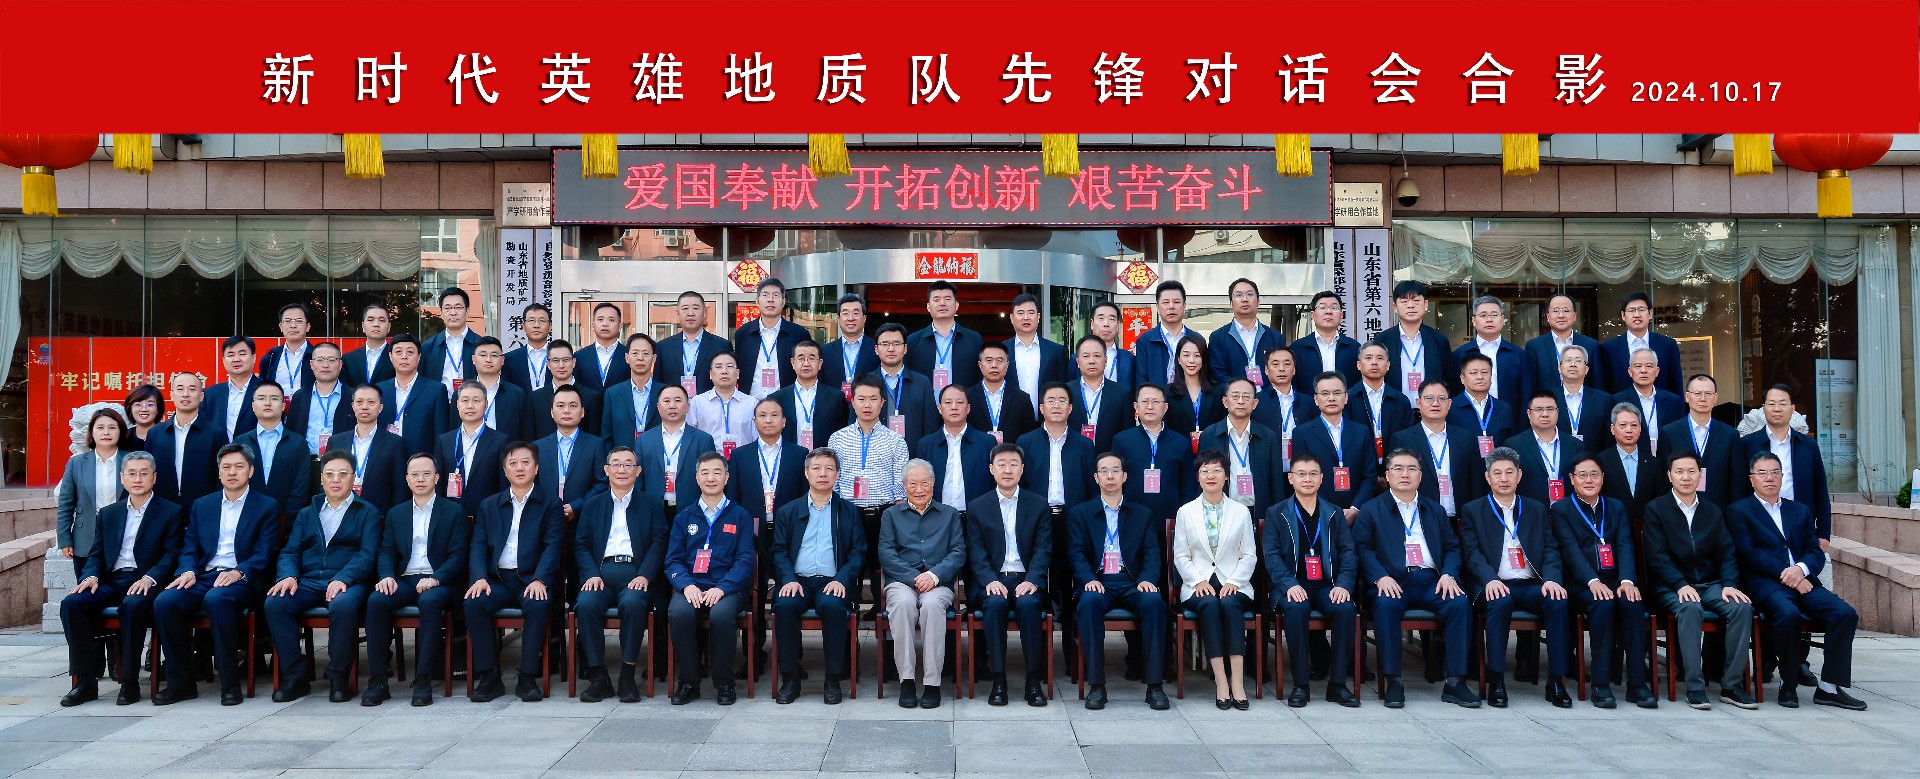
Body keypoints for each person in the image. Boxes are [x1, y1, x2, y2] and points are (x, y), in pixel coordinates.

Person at [1727, 452, 1865, 710]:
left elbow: (1814, 551)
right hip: (1767, 584)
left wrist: (1800, 570)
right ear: (1751, 479)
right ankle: (1788, 684)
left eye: (1774, 472)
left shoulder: (1799, 510)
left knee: (1844, 614)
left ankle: (1828, 688)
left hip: (1804, 581)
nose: (1769, 478)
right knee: (1788, 614)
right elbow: (1749, 553)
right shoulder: (1739, 511)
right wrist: (1788, 574)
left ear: (1782, 477)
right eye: (1762, 473)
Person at [152, 444, 280, 706]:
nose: (232, 472)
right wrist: (187, 570)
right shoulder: (203, 505)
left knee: (217, 600)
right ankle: (181, 684)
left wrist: (238, 572)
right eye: (226, 467)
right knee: (165, 602)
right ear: (219, 472)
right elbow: (189, 546)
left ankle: (230, 684)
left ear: (251, 471)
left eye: (239, 467)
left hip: (243, 578)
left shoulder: (266, 506)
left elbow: (266, 552)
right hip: (205, 575)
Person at [1353, 449, 1478, 707]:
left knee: (1459, 604)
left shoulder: (1435, 510)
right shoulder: (1371, 509)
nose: (1405, 474)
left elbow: (1452, 547)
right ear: (1387, 475)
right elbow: (1362, 548)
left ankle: (1455, 682)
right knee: (1386, 605)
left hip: (1432, 581)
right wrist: (1379, 577)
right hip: (1392, 581)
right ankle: (1394, 681)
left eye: (1411, 469)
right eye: (1398, 468)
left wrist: (1449, 574)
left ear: (1420, 476)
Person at [59, 452, 181, 707]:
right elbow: (96, 553)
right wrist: (91, 575)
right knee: (72, 603)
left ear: (154, 477)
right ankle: (85, 681)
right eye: (132, 474)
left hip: (145, 580)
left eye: (144, 473)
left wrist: (150, 577)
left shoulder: (171, 511)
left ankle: (129, 682)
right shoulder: (109, 513)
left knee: (132, 606)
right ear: (122, 478)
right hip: (112, 579)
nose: (138, 479)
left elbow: (171, 556)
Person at [1458, 448, 1572, 708]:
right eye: (1497, 473)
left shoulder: (1536, 509)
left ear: (1519, 475)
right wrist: (1489, 579)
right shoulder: (1473, 510)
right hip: (1494, 583)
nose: (1504, 478)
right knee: (1500, 602)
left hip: (1531, 584)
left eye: (1509, 472)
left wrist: (1551, 579)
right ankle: (1496, 680)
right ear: (1487, 477)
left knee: (1557, 601)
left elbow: (1551, 549)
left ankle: (1556, 681)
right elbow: (1472, 553)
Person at [263, 450, 380, 703]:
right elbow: (291, 550)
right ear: (321, 479)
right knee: (275, 603)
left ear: (353, 478)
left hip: (348, 582)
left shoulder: (367, 512)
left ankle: (338, 677)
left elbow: (367, 554)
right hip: (308, 580)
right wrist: (288, 575)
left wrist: (344, 577)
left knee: (343, 605)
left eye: (343, 474)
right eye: (330, 474)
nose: (336, 479)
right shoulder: (307, 512)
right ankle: (295, 677)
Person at [1639, 451, 1751, 710]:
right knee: (1690, 608)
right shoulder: (1656, 509)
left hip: (1710, 584)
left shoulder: (1712, 510)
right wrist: (1680, 584)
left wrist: (1729, 584)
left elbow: (1727, 552)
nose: (1686, 477)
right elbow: (1656, 557)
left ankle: (1731, 685)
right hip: (1671, 586)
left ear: (1700, 476)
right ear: (1669, 476)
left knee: (1742, 608)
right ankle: (1695, 686)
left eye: (1692, 471)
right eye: (1679, 472)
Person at [1550, 454, 1657, 707]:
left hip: (1616, 581)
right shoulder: (1561, 509)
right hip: (1581, 585)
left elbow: (1625, 545)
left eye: (1594, 475)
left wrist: (1627, 581)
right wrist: (1591, 580)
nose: (1589, 480)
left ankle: (1637, 685)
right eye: (1582, 475)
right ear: (1572, 479)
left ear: (1603, 478)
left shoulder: (1616, 507)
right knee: (1603, 604)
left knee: (1632, 604)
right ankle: (1600, 684)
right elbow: (1570, 551)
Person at [464, 441, 565, 703]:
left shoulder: (550, 503)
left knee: (538, 603)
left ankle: (528, 676)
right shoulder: (489, 505)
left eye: (525, 462)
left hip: (530, 579)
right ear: (505, 470)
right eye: (513, 463)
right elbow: (478, 546)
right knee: (473, 603)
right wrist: (479, 577)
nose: (519, 468)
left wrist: (541, 579)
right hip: (496, 580)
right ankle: (489, 676)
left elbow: (552, 546)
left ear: (536, 468)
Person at [363, 453, 467, 707]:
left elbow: (458, 555)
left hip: (438, 581)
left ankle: (423, 679)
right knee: (376, 601)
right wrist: (386, 576)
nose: (420, 479)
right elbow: (386, 550)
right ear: (407, 479)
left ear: (437, 478)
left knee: (429, 602)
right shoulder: (396, 513)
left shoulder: (453, 511)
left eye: (426, 474)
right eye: (415, 474)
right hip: (404, 579)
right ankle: (378, 680)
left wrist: (436, 578)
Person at [1069, 453, 1170, 710]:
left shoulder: (1142, 514)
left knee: (1154, 603)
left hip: (1132, 580)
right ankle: (1096, 685)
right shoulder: (1081, 513)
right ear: (1096, 478)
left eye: (1115, 470)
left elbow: (1152, 553)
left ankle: (1155, 685)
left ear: (1124, 476)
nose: (1110, 476)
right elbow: (1076, 553)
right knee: (1088, 603)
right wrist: (1088, 579)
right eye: (1104, 471)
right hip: (1098, 581)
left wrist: (1147, 579)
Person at [771, 448, 866, 705]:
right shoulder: (788, 511)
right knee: (785, 606)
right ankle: (790, 678)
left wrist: (842, 579)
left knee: (834, 607)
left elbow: (858, 551)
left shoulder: (848, 511)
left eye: (829, 469)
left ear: (837, 474)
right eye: (816, 468)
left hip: (832, 581)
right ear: (806, 473)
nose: (822, 474)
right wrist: (788, 578)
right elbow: (778, 550)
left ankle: (833, 679)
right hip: (797, 580)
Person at [573, 446, 668, 703]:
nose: (622, 469)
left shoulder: (652, 504)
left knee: (634, 604)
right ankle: (598, 676)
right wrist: (590, 574)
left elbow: (659, 542)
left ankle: (627, 675)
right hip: (600, 573)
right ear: (606, 470)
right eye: (616, 464)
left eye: (628, 464)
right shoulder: (593, 504)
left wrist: (645, 575)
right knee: (586, 604)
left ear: (638, 471)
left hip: (635, 573)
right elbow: (581, 544)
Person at [1264, 453, 1360, 708]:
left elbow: (1348, 552)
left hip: (1327, 584)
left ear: (1321, 478)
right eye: (1301, 474)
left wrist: (1343, 584)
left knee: (1345, 609)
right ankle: (1300, 685)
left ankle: (1337, 685)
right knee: (1297, 608)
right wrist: (1289, 584)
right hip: (1291, 584)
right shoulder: (1276, 513)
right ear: (1290, 479)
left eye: (1313, 474)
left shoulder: (1334, 513)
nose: (1307, 479)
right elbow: (1271, 556)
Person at [666, 452, 756, 705]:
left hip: (727, 587)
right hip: (691, 585)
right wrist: (686, 585)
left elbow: (745, 560)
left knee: (721, 615)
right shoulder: (684, 516)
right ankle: (689, 682)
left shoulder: (740, 515)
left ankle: (724, 682)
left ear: (727, 477)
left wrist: (723, 588)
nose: (711, 478)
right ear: (696, 478)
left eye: (717, 472)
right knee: (679, 614)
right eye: (705, 473)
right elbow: (673, 560)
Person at [965, 444, 1052, 706]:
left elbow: (1043, 548)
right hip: (992, 579)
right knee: (994, 604)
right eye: (1001, 464)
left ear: (1022, 469)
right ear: (991, 469)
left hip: (1026, 578)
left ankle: (1033, 681)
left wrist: (1032, 580)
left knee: (1029, 605)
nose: (1007, 470)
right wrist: (989, 580)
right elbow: (976, 550)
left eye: (1013, 464)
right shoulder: (977, 506)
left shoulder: (1038, 504)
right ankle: (999, 680)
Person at [878, 459, 967, 709]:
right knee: (903, 604)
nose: (919, 489)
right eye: (913, 484)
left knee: (931, 606)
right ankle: (907, 680)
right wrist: (914, 578)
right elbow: (886, 554)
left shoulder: (949, 514)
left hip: (938, 582)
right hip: (902, 581)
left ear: (934, 483)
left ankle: (932, 683)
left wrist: (934, 576)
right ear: (904, 485)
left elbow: (958, 552)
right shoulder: (891, 515)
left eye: (924, 483)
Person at [1018, 383, 1096, 666]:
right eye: (1050, 400)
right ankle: (1039, 659)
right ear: (1041, 408)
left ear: (1070, 408)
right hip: (1037, 520)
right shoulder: (1026, 442)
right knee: (1038, 582)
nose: (1056, 405)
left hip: (1072, 519)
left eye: (1062, 400)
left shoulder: (1084, 445)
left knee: (1069, 583)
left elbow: (1091, 489)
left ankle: (1072, 656)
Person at [1174, 449, 1259, 709]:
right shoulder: (1185, 512)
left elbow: (1249, 554)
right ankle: (1221, 682)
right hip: (1197, 584)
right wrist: (1198, 581)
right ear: (1197, 477)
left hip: (1235, 582)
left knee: (1231, 605)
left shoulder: (1241, 511)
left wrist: (1234, 582)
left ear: (1226, 476)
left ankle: (1238, 683)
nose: (1211, 476)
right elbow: (1181, 555)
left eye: (1217, 471)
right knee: (1210, 606)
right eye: (1205, 471)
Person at [1742, 384, 1832, 544]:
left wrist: (1824, 535)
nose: (1777, 409)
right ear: (1763, 408)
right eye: (1771, 404)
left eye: (1783, 404)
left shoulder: (1808, 446)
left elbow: (1820, 490)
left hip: (1801, 528)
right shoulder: (1747, 445)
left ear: (1792, 408)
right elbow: (1739, 489)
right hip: (1758, 528)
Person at [1390, 380, 1483, 517]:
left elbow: (1476, 482)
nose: (1435, 403)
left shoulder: (1465, 437)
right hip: (1420, 517)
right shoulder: (1403, 439)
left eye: (1442, 399)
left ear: (1449, 404)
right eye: (1429, 398)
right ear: (1418, 403)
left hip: (1460, 519)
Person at [1292, 372, 1378, 516]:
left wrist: (1355, 509)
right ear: (1316, 399)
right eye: (1325, 393)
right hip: (1319, 513)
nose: (1331, 398)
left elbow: (1370, 476)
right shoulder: (1302, 434)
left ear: (1346, 397)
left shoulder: (1361, 432)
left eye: (1337, 393)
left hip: (1358, 514)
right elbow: (1302, 477)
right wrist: (1329, 510)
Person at [1198, 378, 1286, 520]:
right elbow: (1201, 479)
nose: (1240, 401)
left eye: (1246, 396)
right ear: (1225, 401)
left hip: (1258, 513)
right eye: (1235, 396)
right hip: (1220, 512)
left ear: (1255, 403)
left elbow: (1276, 484)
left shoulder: (1268, 437)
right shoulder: (1209, 435)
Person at [57, 408, 130, 577]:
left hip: (124, 535)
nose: (106, 432)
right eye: (100, 427)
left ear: (120, 431)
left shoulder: (132, 460)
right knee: (86, 588)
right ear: (91, 432)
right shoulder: (76, 463)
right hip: (85, 538)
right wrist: (64, 539)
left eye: (112, 427)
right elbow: (66, 504)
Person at [1658, 374, 1744, 508]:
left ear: (1715, 398)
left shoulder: (1730, 435)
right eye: (1697, 393)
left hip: (1718, 510)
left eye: (1708, 394)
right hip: (1679, 509)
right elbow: (1663, 478)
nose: (1703, 399)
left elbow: (1736, 481)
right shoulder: (1669, 433)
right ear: (1687, 397)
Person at [1113, 384, 1196, 523]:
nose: (1150, 406)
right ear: (1136, 406)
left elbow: (1188, 487)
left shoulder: (1181, 443)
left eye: (1156, 402)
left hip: (1171, 519)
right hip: (1131, 520)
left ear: (1165, 407)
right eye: (1145, 401)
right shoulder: (1121, 441)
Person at [324, 385, 407, 515]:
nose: (364, 407)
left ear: (380, 408)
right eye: (359, 402)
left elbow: (400, 487)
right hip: (339, 510)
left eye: (371, 402)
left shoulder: (395, 443)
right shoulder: (336, 441)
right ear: (353, 406)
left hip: (378, 513)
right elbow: (325, 479)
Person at [232, 381, 312, 515]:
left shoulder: (298, 443)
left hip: (287, 519)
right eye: (261, 398)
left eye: (274, 399)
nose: (267, 403)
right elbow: (235, 481)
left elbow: (301, 486)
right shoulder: (240, 442)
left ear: (283, 406)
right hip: (247, 515)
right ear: (253, 406)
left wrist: (288, 517)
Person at [535, 384, 609, 527]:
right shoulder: (538, 447)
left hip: (584, 519)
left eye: (573, 406)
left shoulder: (596, 445)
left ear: (582, 412)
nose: (567, 411)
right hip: (546, 519)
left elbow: (602, 483)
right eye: (560, 406)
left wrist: (578, 506)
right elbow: (534, 484)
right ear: (552, 412)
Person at [637, 384, 719, 512]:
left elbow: (710, 478)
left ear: (688, 406)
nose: (672, 406)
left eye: (678, 400)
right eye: (666, 401)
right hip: (653, 509)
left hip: (691, 510)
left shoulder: (703, 440)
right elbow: (638, 479)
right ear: (658, 406)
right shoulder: (644, 440)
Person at [151, 372, 227, 507]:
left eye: (192, 389)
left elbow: (221, 474)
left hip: (204, 506)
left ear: (201, 396)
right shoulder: (155, 433)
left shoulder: (216, 433)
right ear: (171, 395)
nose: (185, 394)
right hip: (163, 508)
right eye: (180, 389)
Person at [434, 383, 508, 519]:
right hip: (451, 516)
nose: (470, 406)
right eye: (465, 400)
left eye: (476, 401)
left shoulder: (500, 441)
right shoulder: (444, 441)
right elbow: (438, 484)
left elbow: (503, 485)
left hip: (487, 516)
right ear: (457, 404)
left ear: (486, 404)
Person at [1372, 280, 1456, 396]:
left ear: (1425, 305)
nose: (1411, 306)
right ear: (1395, 307)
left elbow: (1449, 378)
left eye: (1416, 301)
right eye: (1404, 301)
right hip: (1393, 405)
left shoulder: (1439, 340)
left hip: (1432, 405)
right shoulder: (1382, 340)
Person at [734, 278, 811, 398]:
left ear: (783, 302)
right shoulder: (743, 333)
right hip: (749, 402)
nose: (770, 299)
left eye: (775, 295)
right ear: (757, 301)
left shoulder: (799, 334)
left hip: (786, 402)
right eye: (765, 295)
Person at [922, 385, 996, 510]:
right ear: (940, 409)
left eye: (960, 402)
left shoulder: (987, 443)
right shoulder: (926, 444)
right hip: (937, 516)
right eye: (948, 403)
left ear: (968, 408)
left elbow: (994, 483)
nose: (954, 407)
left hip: (977, 515)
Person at [378, 333, 452, 457]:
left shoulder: (436, 390)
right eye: (398, 352)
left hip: (421, 460)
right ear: (390, 356)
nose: (404, 357)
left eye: (410, 352)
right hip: (386, 458)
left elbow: (440, 433)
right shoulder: (379, 390)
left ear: (419, 357)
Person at [1598, 292, 1683, 395]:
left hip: (1660, 404)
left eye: (1641, 310)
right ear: (1623, 315)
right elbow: (1603, 388)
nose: (1637, 315)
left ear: (1650, 314)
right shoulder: (1608, 348)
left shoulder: (1668, 345)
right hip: (1621, 404)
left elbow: (1676, 385)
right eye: (1631, 310)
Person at [906, 280, 985, 391]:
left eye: (947, 299)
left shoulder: (974, 339)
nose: (942, 303)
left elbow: (980, 378)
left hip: (963, 401)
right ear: (928, 307)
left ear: (956, 305)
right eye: (936, 299)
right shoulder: (913, 341)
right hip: (924, 402)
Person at [771, 339, 849, 450]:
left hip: (824, 457)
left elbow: (841, 433)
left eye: (811, 359)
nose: (806, 364)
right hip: (789, 457)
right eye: (801, 359)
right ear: (792, 363)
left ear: (820, 363)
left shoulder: (836, 398)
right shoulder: (777, 398)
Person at [1452, 295, 1528, 408]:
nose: (1489, 320)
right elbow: (1454, 391)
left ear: (1502, 320)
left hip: (1509, 416)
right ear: (1474, 320)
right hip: (1468, 416)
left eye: (1494, 315)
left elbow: (1526, 393)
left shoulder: (1519, 354)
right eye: (1483, 315)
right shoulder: (1459, 355)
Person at [1208, 278, 1285, 389]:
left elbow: (1281, 373)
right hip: (1234, 398)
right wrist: (1241, 394)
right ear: (1231, 303)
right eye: (1239, 295)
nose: (1244, 299)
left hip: (1267, 398)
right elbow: (1218, 375)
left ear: (1258, 301)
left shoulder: (1275, 337)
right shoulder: (1218, 337)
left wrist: (1265, 396)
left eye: (1250, 294)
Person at [874, 323, 938, 453]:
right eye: (885, 344)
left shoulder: (922, 383)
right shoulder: (866, 383)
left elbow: (930, 427)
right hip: (875, 457)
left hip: (913, 457)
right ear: (876, 349)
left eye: (896, 344)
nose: (891, 349)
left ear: (905, 348)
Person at [1348, 342, 1417, 464]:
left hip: (1395, 467)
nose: (1374, 362)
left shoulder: (1401, 400)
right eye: (1368, 358)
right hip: (1359, 467)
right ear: (1359, 365)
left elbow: (1408, 438)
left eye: (1380, 358)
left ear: (1388, 365)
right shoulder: (1348, 399)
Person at [1598, 403, 1669, 520]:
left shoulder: (1653, 463)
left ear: (1640, 429)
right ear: (1612, 429)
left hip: (1646, 525)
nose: (1629, 430)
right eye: (1623, 425)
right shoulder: (1600, 461)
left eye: (1634, 425)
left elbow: (1660, 500)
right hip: (1612, 525)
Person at [1523, 294, 1601, 398]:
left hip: (1582, 405)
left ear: (1575, 315)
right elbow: (1529, 386)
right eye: (1555, 311)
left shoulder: (1590, 345)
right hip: (1547, 406)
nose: (1561, 315)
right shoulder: (1534, 346)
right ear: (1548, 316)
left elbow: (1598, 385)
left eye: (1566, 310)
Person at [657, 291, 732, 396]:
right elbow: (659, 383)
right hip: (674, 404)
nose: (690, 313)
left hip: (710, 404)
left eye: (696, 308)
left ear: (704, 312)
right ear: (678, 313)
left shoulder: (721, 346)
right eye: (685, 309)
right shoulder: (663, 347)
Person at [1610, 348, 1683, 455]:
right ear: (1630, 371)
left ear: (1657, 371)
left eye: (1649, 366)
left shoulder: (1672, 401)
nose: (1643, 370)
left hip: (1666, 460)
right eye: (1638, 366)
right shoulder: (1616, 400)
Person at [286, 341, 353, 456]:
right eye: (320, 360)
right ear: (312, 364)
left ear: (340, 364)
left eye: (331, 360)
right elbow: (292, 432)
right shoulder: (299, 397)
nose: (325, 365)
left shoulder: (353, 397)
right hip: (306, 460)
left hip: (341, 461)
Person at [1507, 391, 1575, 506]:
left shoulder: (1574, 444)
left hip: (1568, 510)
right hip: (1531, 510)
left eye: (1550, 409)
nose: (1545, 414)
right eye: (1539, 409)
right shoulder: (1513, 445)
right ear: (1529, 413)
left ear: (1558, 412)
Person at [600, 333, 666, 450]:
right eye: (635, 353)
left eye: (645, 354)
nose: (640, 358)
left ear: (654, 358)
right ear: (627, 358)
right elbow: (607, 436)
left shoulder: (665, 392)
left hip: (656, 457)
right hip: (623, 459)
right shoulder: (613, 394)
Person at [530, 339, 604, 440]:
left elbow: (595, 437)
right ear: (548, 364)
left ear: (573, 362)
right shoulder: (535, 398)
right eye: (555, 360)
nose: (561, 365)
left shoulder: (591, 397)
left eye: (566, 360)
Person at [1289, 291, 1361, 393]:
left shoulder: (1354, 347)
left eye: (1334, 308)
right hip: (1309, 403)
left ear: (1341, 315)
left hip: (1346, 403)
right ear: (1313, 315)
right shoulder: (1297, 348)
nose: (1328, 311)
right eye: (1322, 307)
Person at [689, 352, 756, 459]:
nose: (724, 371)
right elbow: (690, 437)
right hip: (707, 463)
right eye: (719, 367)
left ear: (738, 373)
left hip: (743, 461)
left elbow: (757, 438)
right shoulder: (697, 403)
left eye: (729, 366)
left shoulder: (751, 404)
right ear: (710, 374)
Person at [1003, 293, 1068, 404]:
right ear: (1012, 318)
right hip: (1010, 413)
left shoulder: (1056, 351)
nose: (1026, 317)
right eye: (1020, 313)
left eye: (1031, 312)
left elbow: (1063, 388)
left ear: (1038, 317)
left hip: (1047, 413)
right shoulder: (1001, 351)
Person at [967, 341, 1036, 445]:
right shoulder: (967, 397)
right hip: (977, 453)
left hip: (1011, 453)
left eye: (1000, 361)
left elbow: (1029, 436)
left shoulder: (1022, 399)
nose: (994, 365)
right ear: (980, 365)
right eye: (989, 360)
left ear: (1007, 365)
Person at [1068, 335, 1127, 454]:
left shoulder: (1122, 393)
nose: (1091, 361)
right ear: (1078, 361)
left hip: (1109, 458)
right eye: (1086, 356)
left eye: (1097, 356)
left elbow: (1126, 432)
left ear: (1105, 361)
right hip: (1074, 457)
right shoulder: (1066, 391)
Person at [469, 336, 534, 443]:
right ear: (473, 359)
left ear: (502, 360)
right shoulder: (462, 393)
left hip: (508, 451)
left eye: (494, 355)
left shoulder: (517, 395)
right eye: (483, 355)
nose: (488, 359)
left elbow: (526, 433)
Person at [1451, 352, 1519, 453]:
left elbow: (1512, 444)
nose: (1480, 377)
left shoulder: (1504, 409)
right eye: (1473, 373)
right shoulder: (1450, 407)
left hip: (1497, 462)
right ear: (1462, 378)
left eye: (1484, 372)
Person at [1131, 280, 1193, 389]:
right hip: (1157, 398)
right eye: (1165, 302)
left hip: (1189, 398)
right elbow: (1141, 380)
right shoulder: (1145, 341)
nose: (1171, 306)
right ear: (1158, 307)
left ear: (1184, 306)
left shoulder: (1195, 339)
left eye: (1176, 302)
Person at [1250, 347, 1310, 459]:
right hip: (1268, 461)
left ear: (1294, 369)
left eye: (1287, 364)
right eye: (1275, 364)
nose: (1281, 369)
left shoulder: (1308, 403)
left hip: (1301, 463)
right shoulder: (1255, 403)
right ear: (1266, 370)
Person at [1164, 335, 1223, 444]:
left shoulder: (1219, 391)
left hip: (1212, 450)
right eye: (1186, 355)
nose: (1191, 360)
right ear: (1178, 359)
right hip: (1179, 450)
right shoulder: (1167, 393)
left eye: (1197, 355)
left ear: (1204, 359)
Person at [421, 287, 479, 396]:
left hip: (472, 404)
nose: (453, 313)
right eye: (447, 308)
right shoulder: (428, 347)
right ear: (441, 313)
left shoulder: (480, 345)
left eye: (458, 307)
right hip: (439, 404)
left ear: (467, 312)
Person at [204, 335, 263, 440]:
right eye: (231, 355)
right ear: (223, 360)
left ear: (253, 358)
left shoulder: (267, 390)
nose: (236, 359)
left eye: (242, 354)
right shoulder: (209, 395)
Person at [819, 292, 878, 393]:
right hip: (835, 403)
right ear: (839, 319)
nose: (851, 318)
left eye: (856, 313)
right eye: (845, 313)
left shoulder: (876, 349)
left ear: (864, 318)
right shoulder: (824, 352)